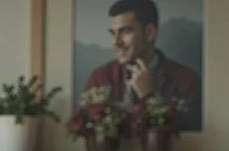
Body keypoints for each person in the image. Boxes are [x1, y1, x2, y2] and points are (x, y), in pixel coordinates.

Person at [83, 0, 202, 132]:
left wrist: (148, 95)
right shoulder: (99, 77)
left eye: (125, 31)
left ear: (150, 32)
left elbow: (187, 139)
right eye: (113, 33)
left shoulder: (186, 80)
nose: (116, 42)